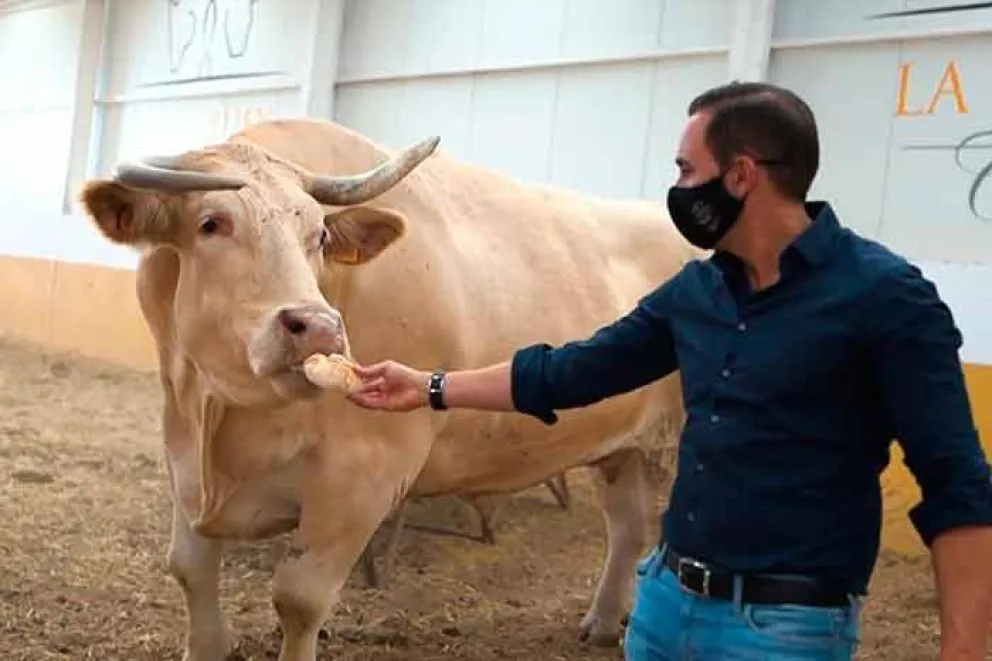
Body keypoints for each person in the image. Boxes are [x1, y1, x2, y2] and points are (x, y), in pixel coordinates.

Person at [344, 81, 992, 660]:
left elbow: (956, 480)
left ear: (741, 175)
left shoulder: (886, 298)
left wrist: (962, 646)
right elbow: (573, 370)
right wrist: (429, 386)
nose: (678, 189)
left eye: (687, 170)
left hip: (783, 628)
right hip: (663, 608)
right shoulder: (697, 292)